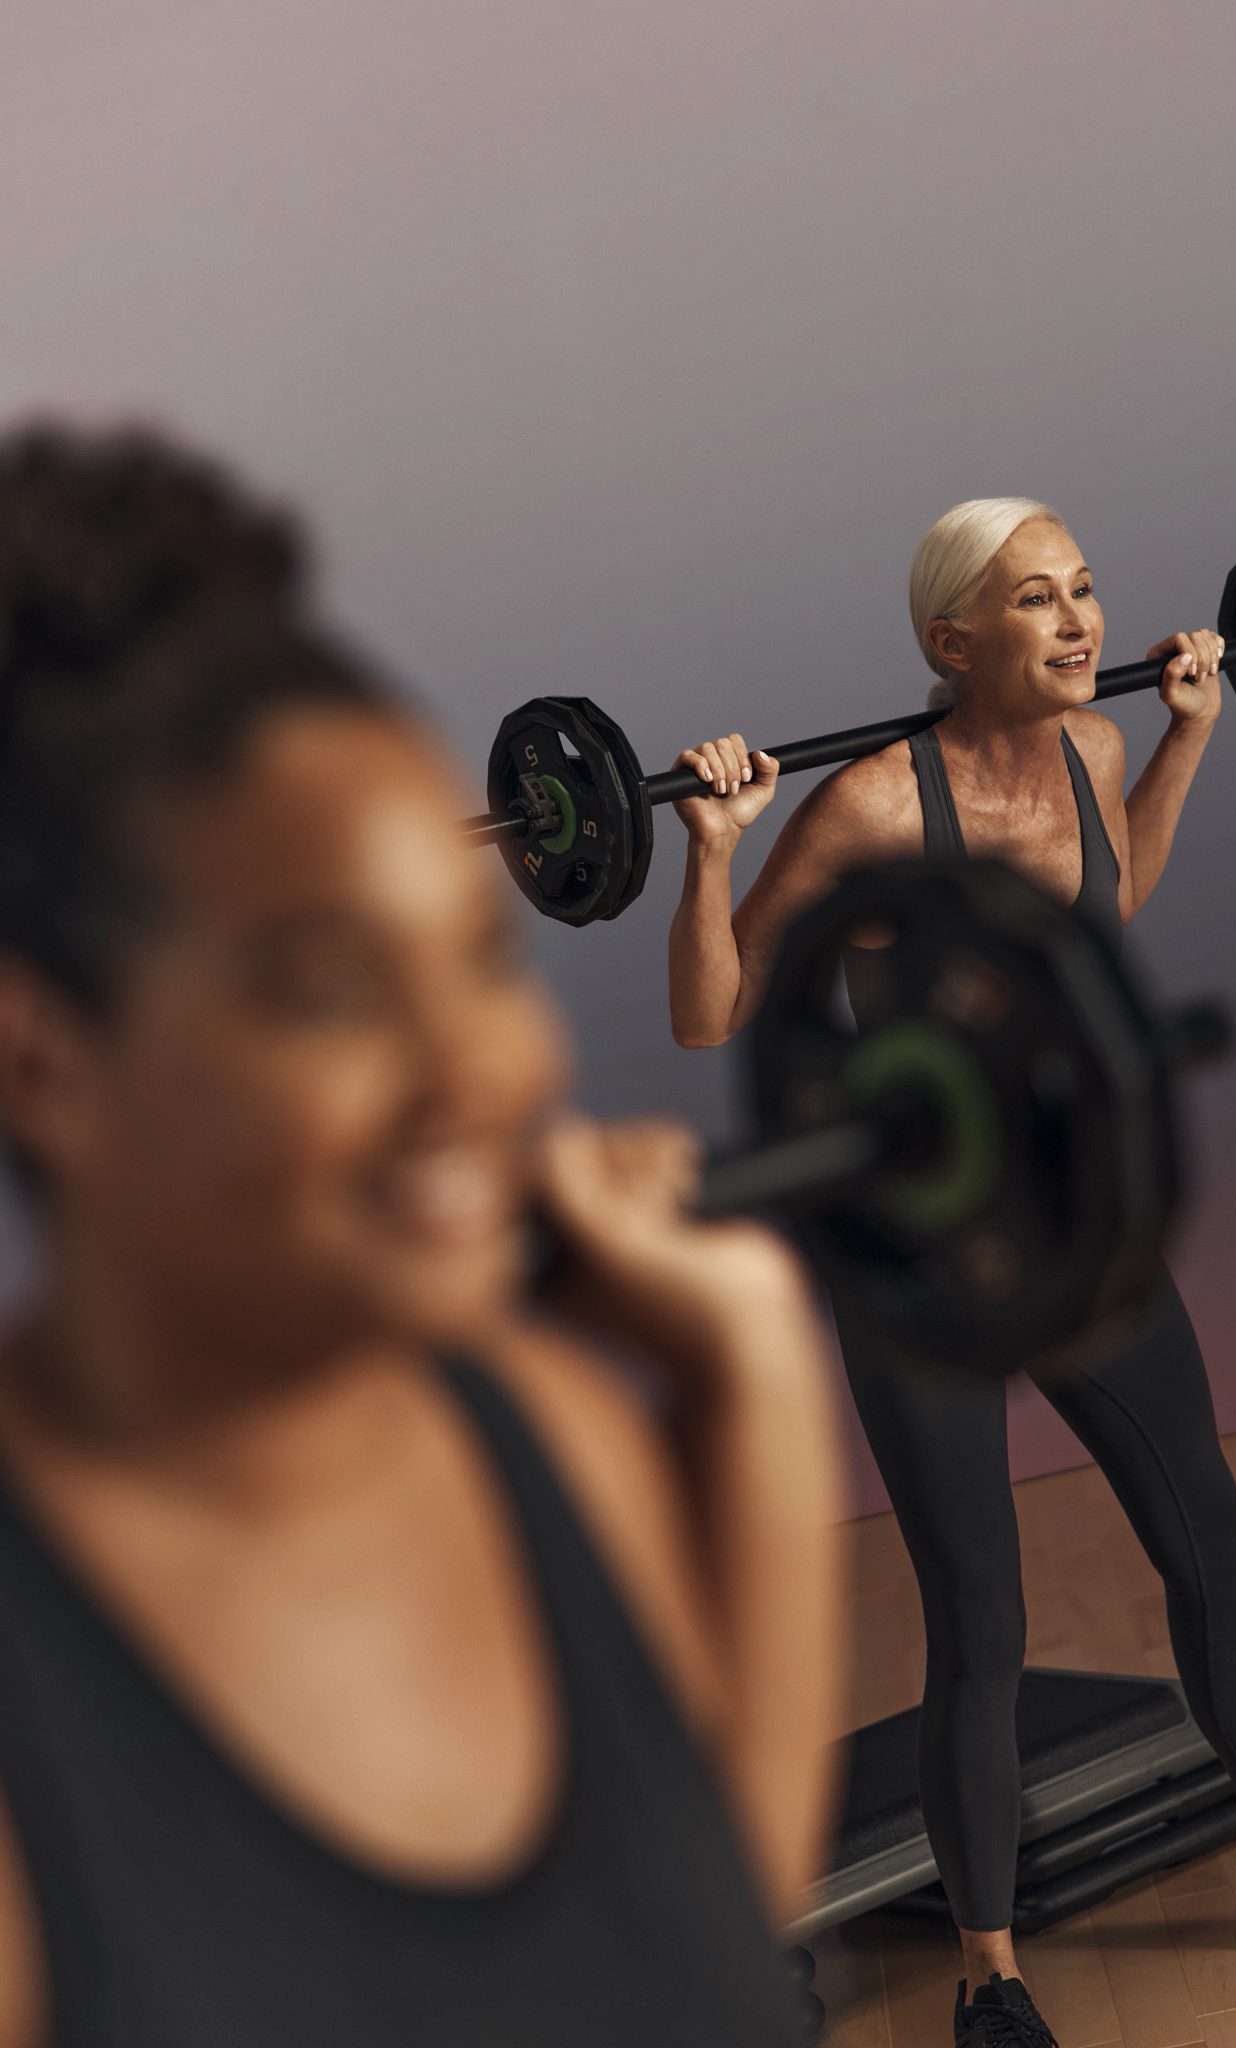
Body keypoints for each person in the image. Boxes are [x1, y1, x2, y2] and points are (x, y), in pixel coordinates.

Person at [0, 426, 844, 2048]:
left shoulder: (547, 1434)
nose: (484, 1066)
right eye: (327, 989)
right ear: (45, 1060)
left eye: (478, 957)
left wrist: (748, 1374)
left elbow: (699, 1953)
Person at [666, 497, 1236, 2048]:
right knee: (981, 1617)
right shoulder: (872, 812)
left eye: (1085, 589)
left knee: (1209, 1547)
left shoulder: (1094, 752)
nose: (1081, 623)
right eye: (1035, 602)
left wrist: (1181, 744)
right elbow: (712, 1016)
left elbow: (1104, 906)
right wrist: (712, 852)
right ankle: (991, 1977)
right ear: (949, 643)